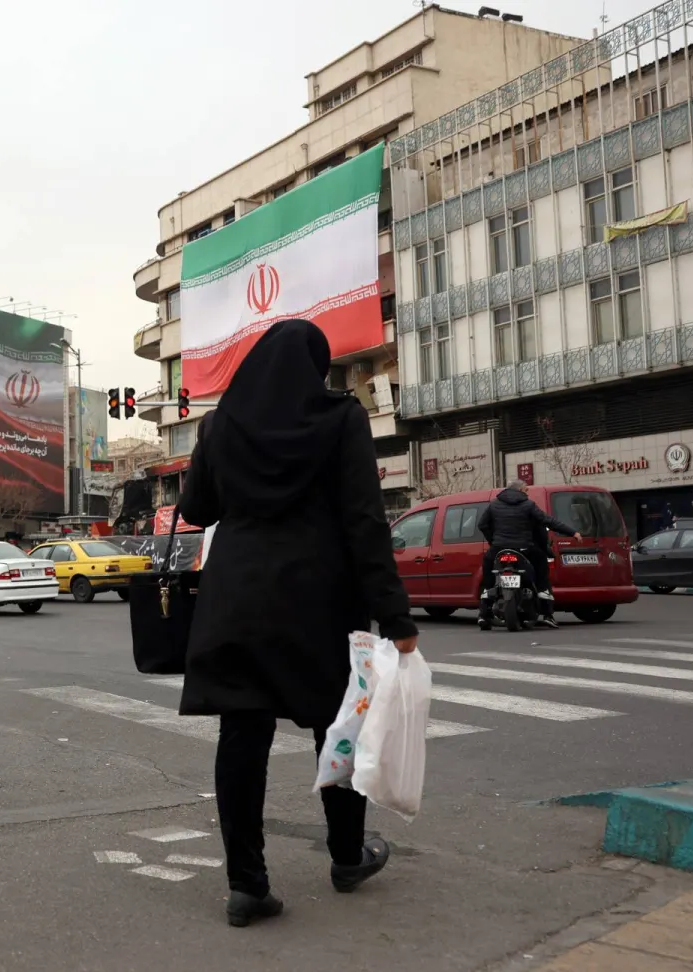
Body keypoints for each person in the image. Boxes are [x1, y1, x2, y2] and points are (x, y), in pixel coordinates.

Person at [176, 319, 418, 928]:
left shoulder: (221, 422)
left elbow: (198, 508)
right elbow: (364, 521)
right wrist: (394, 614)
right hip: (318, 598)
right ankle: (345, 857)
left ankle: (247, 885)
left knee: (242, 735)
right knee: (336, 727)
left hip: (237, 597)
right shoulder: (341, 418)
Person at [475, 481, 581, 630]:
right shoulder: (528, 505)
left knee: (488, 570)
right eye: (526, 490)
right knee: (541, 566)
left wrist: (493, 541)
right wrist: (572, 532)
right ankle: (547, 613)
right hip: (524, 548)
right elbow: (548, 521)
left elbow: (482, 525)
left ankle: (484, 614)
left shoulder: (494, 505)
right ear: (521, 490)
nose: (527, 493)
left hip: (499, 547)